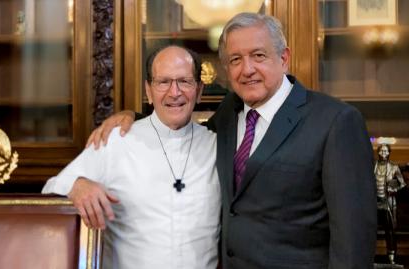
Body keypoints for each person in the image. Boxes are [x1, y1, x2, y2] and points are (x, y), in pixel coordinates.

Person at [87, 12, 378, 269]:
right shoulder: (229, 112)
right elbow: (182, 136)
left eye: (258, 56)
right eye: (235, 59)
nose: (247, 69)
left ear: (284, 58)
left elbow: (353, 241)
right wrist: (131, 117)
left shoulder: (335, 122)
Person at [42, 45, 221, 269]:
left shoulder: (216, 145)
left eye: (184, 81)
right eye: (163, 82)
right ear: (148, 90)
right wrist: (77, 185)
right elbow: (51, 188)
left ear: (200, 89)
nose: (174, 92)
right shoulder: (116, 140)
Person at [375, 143, 406, 264]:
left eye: (386, 151)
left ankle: (391, 255)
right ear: (378, 152)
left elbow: (402, 183)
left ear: (389, 153)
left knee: (390, 231)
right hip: (375, 202)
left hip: (387, 202)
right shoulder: (374, 165)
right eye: (381, 151)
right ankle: (370, 254)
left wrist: (394, 190)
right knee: (371, 229)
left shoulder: (394, 167)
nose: (383, 153)